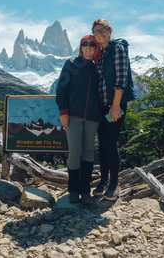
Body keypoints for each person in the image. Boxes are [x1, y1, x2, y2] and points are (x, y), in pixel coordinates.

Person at [91, 18, 135, 201]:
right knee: (102, 144)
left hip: (114, 105)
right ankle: (103, 181)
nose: (100, 34)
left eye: (103, 30)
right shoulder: (102, 53)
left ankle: (115, 183)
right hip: (102, 106)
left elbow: (121, 78)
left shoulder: (117, 48)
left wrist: (116, 105)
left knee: (110, 143)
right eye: (96, 32)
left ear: (110, 30)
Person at [55, 34, 101, 205]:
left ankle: (85, 190)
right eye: (85, 44)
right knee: (75, 152)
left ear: (96, 48)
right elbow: (61, 89)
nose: (88, 46)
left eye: (92, 44)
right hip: (73, 115)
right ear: (80, 47)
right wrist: (63, 110)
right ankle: (73, 189)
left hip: (92, 117)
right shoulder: (71, 64)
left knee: (88, 152)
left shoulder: (97, 68)